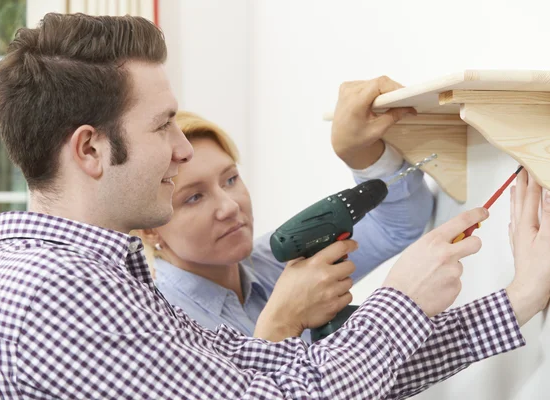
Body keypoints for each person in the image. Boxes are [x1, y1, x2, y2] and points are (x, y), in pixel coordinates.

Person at [0, 13, 550, 399]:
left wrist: (518, 300)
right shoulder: (55, 295)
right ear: (90, 149)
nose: (182, 147)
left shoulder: (102, 275)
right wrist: (401, 302)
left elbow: (299, 371)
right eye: (163, 125)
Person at [138, 108, 434, 342]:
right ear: (150, 228)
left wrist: (363, 156)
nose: (229, 206)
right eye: (194, 198)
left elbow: (399, 224)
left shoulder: (278, 260)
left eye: (230, 179)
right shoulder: (158, 326)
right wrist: (284, 322)